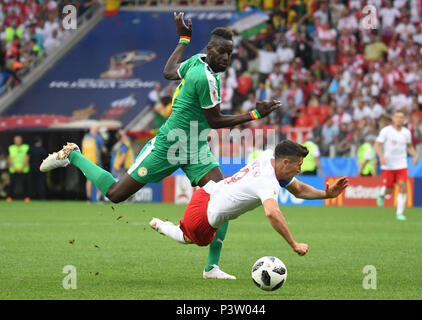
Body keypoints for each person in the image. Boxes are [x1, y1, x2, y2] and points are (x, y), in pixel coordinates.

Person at [40, 12, 281, 279]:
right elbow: (214, 120)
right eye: (222, 52)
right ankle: (73, 155)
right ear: (211, 50)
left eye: (230, 53)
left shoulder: (198, 61)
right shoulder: (206, 77)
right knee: (117, 194)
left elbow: (168, 72)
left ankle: (212, 267)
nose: (226, 58)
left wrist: (183, 39)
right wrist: (254, 115)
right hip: (168, 145)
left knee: (222, 197)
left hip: (195, 147)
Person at [149, 140, 348, 257]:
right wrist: (294, 244)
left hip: (208, 193)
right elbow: (272, 212)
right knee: (188, 238)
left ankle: (211, 268)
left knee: (210, 228)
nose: (300, 169)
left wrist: (327, 194)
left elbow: (299, 190)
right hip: (203, 215)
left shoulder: (268, 157)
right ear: (285, 162)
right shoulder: (267, 181)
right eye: (298, 164)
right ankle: (160, 225)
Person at [374, 110, 419, 221]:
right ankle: (382, 194)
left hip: (401, 164)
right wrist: (381, 156)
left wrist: (415, 155)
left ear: (404, 120)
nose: (399, 119)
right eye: (397, 117)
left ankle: (399, 213)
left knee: (403, 186)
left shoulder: (406, 133)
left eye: (401, 117)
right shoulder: (386, 131)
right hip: (388, 165)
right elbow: (377, 144)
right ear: (393, 118)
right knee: (389, 190)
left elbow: (409, 146)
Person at [81, 126, 108, 201]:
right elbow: (104, 150)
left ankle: (88, 198)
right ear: (95, 130)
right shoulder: (97, 138)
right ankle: (99, 197)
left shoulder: (85, 138)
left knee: (89, 180)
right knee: (99, 179)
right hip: (96, 162)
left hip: (86, 162)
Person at [7, 135, 30, 202]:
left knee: (25, 184)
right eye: (16, 140)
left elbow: (27, 158)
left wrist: (22, 168)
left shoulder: (26, 147)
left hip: (24, 169)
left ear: (21, 140)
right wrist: (14, 168)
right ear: (14, 141)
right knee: (11, 184)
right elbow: (9, 158)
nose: (17, 141)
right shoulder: (11, 147)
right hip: (13, 169)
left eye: (19, 140)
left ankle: (27, 197)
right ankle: (9, 197)